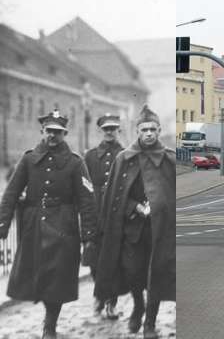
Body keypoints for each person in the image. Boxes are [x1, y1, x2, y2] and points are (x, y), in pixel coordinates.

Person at [0, 109, 97, 339]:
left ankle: (50, 324)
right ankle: (48, 318)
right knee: (39, 275)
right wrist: (1, 227)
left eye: (58, 132)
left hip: (64, 229)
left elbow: (87, 201)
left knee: (57, 278)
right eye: (49, 131)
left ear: (65, 133)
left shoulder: (76, 163)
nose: (53, 136)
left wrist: (89, 236)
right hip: (34, 228)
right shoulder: (29, 159)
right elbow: (11, 193)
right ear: (42, 131)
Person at [95, 105, 175, 339]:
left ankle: (149, 322)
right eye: (144, 129)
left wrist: (159, 207)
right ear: (137, 131)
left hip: (159, 231)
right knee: (133, 273)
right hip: (132, 228)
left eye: (152, 129)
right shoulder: (124, 158)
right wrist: (136, 207)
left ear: (159, 130)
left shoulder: (169, 159)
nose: (148, 133)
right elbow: (115, 196)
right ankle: (138, 305)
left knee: (156, 274)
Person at [84, 113, 125, 319]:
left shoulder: (127, 154)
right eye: (106, 129)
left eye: (113, 128)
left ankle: (110, 302)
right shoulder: (90, 156)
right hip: (96, 215)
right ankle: (100, 295)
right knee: (94, 260)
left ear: (118, 130)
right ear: (100, 131)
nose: (110, 132)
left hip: (119, 216)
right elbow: (84, 188)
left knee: (116, 261)